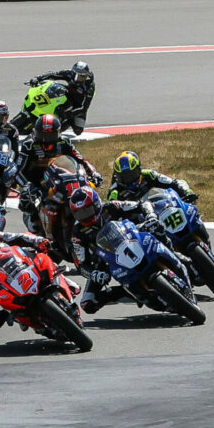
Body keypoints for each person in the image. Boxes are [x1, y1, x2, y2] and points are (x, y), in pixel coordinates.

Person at [67, 186, 166, 314]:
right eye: (79, 213)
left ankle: (176, 255)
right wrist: (94, 274)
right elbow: (81, 265)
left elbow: (143, 204)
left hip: (133, 238)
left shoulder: (111, 207)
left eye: (87, 210)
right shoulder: (77, 232)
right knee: (88, 304)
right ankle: (128, 291)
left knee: (156, 227)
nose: (84, 216)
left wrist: (150, 216)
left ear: (96, 204)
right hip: (107, 259)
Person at [15, 114, 102, 235]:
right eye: (42, 135)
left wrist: (93, 173)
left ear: (58, 133)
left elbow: (80, 159)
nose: (46, 139)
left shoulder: (64, 142)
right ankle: (39, 235)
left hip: (64, 182)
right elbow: (18, 171)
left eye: (50, 135)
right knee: (30, 209)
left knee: (87, 195)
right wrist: (27, 186)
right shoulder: (29, 145)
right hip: (40, 186)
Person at [24, 61, 96, 135]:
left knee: (78, 130)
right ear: (73, 73)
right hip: (67, 95)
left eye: (83, 77)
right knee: (52, 88)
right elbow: (54, 74)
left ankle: (57, 131)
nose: (80, 79)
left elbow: (84, 108)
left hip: (78, 105)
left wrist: (68, 114)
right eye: (78, 76)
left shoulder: (89, 87)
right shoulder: (69, 73)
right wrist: (38, 78)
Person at [107, 151, 197, 203]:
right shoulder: (115, 191)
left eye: (131, 175)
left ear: (139, 170)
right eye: (124, 177)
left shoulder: (149, 175)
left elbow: (174, 182)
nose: (129, 180)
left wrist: (187, 192)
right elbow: (112, 210)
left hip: (157, 212)